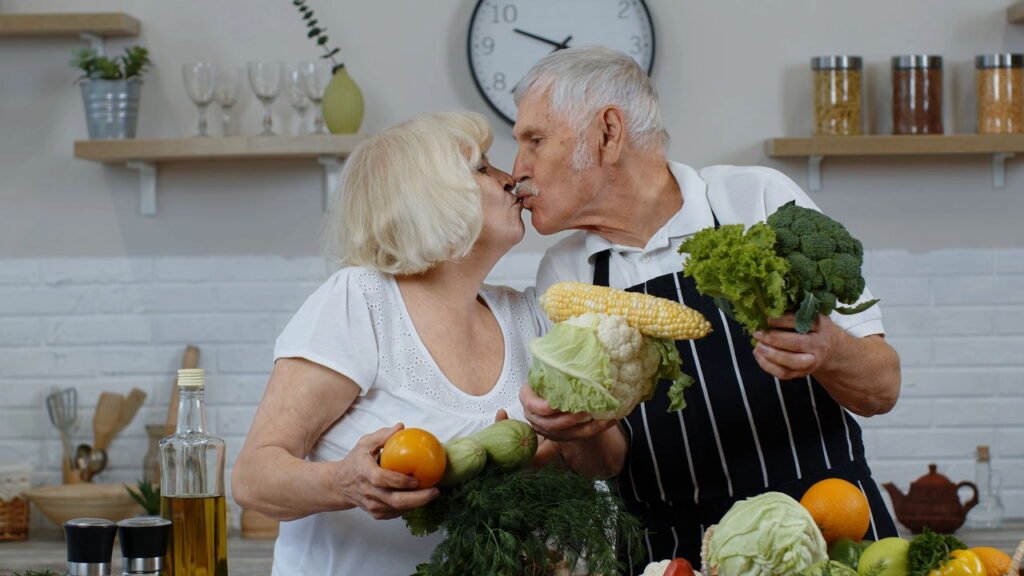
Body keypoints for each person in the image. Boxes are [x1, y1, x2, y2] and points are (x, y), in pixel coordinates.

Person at [511, 46, 902, 571]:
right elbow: (609, 459)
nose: (518, 170)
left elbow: (883, 387)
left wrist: (828, 350)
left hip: (823, 530)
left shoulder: (755, 200)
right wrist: (567, 429)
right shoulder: (566, 269)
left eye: (534, 141)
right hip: (673, 551)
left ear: (608, 132)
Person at [232, 111, 540, 575]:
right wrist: (344, 482)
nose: (508, 178)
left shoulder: (524, 316)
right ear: (430, 200)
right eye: (481, 168)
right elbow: (253, 478)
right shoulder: (360, 299)